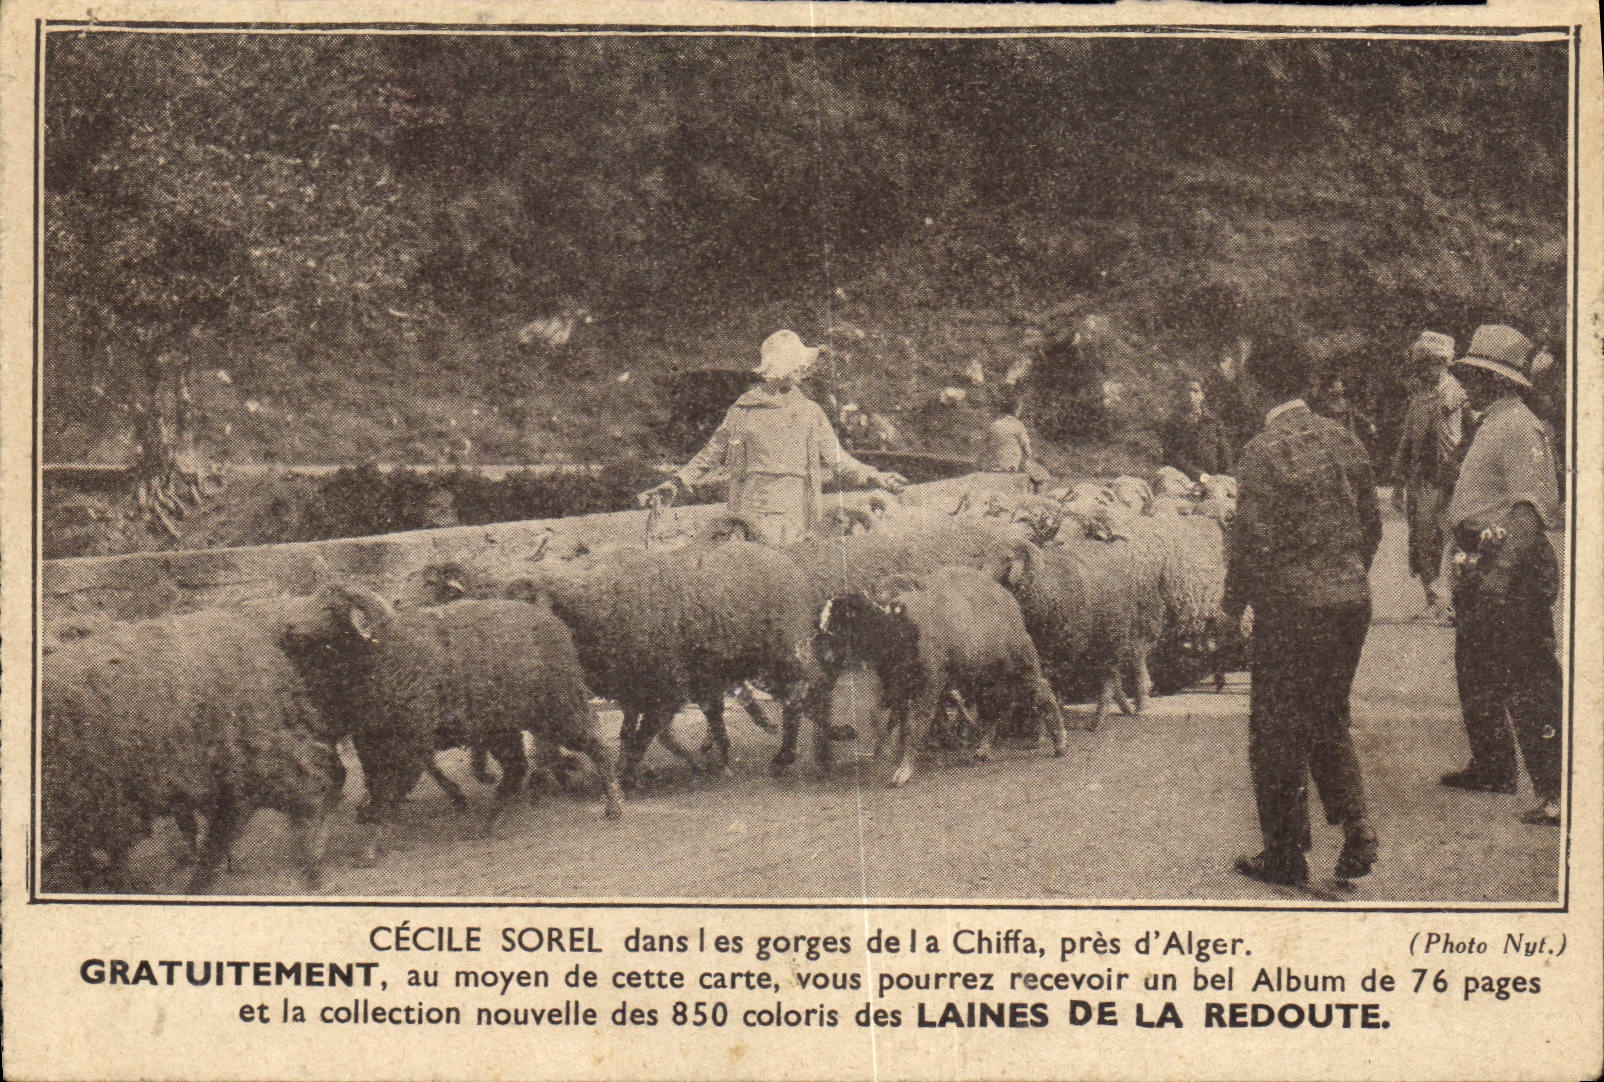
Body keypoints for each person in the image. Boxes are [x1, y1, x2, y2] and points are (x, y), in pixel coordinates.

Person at [1222, 335, 1382, 889]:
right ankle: (1355, 821)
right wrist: (1344, 574)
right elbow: (1371, 526)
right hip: (1350, 602)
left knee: (1274, 728)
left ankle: (1286, 855)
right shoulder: (1345, 440)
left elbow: (1252, 543)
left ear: (1259, 384)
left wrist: (1229, 609)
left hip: (1293, 609)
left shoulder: (1262, 451)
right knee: (1327, 714)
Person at [1438, 325, 1562, 826]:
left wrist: (1499, 578)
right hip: (1483, 564)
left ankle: (1555, 790)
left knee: (1528, 678)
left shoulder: (1519, 428)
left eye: (1478, 375)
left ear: (1499, 381)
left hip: (1509, 571)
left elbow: (1530, 511)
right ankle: (1492, 766)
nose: (1469, 384)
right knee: (1477, 669)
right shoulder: (1493, 423)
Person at [638, 330, 907, 545]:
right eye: (796, 366)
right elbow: (711, 454)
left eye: (802, 366)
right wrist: (677, 482)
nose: (802, 371)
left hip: (798, 511)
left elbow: (840, 461)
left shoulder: (810, 412)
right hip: (751, 509)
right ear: (779, 368)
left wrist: (876, 476)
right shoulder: (743, 410)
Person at [1388, 331, 1468, 620]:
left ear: (1442, 363)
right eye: (1419, 365)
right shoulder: (1420, 397)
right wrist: (1398, 483)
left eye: (1428, 364)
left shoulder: (1454, 393)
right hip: (1422, 479)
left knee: (1454, 539)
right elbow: (1407, 440)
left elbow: (1458, 440)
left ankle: (1455, 600)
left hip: (1449, 478)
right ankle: (1433, 597)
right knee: (1423, 539)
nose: (1422, 371)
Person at [1159, 378, 1232, 481]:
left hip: (1212, 479)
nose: (1191, 395)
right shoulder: (1173, 423)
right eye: (1187, 391)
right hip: (1182, 478)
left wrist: (1226, 477)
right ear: (1182, 395)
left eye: (1195, 391)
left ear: (1202, 395)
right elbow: (1171, 455)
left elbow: (1224, 452)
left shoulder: (1213, 422)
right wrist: (1198, 475)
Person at [1318, 374, 1377, 453]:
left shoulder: (1347, 403)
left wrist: (1369, 424)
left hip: (1351, 438)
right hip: (1336, 440)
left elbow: (1358, 415)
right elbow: (1324, 424)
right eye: (1337, 385)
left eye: (1341, 385)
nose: (1341, 387)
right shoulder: (1327, 407)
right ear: (1330, 389)